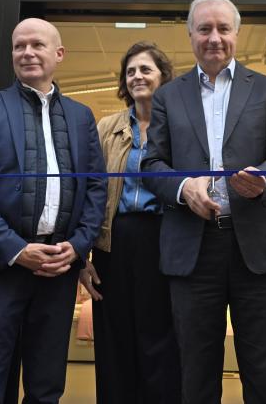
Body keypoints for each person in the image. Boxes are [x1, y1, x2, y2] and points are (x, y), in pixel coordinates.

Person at [142, 0, 266, 404]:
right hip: (192, 246)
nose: (214, 38)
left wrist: (264, 179)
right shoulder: (167, 96)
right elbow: (152, 163)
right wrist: (182, 187)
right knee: (196, 368)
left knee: (265, 369)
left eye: (223, 29)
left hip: (257, 246)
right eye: (204, 29)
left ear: (236, 33)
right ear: (190, 34)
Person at [0, 18, 107, 403]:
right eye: (19, 46)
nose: (27, 52)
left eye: (37, 45)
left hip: (58, 268)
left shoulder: (81, 116)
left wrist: (78, 246)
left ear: (58, 54)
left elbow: (95, 187)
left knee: (46, 383)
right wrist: (16, 249)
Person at [78, 41, 181, 404]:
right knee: (114, 336)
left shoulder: (179, 126)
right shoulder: (107, 127)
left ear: (163, 77)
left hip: (162, 238)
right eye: (131, 71)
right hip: (113, 241)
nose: (137, 76)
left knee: (159, 336)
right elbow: (89, 189)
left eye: (146, 69)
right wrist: (82, 255)